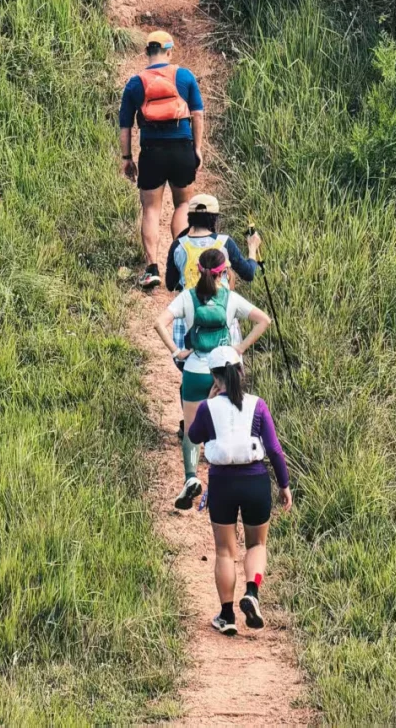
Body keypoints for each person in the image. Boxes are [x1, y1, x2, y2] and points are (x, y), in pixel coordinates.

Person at [154, 246, 270, 511]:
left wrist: (176, 351)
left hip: (195, 370)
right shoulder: (230, 299)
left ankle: (191, 477)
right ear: (224, 272)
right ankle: (224, 477)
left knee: (192, 430)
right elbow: (264, 320)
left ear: (198, 270)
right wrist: (239, 349)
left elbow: (159, 323)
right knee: (225, 424)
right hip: (225, 371)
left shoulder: (187, 297)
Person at [188, 344, 292, 636]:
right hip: (255, 481)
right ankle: (252, 592)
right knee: (257, 545)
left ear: (214, 377)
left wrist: (208, 401)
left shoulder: (208, 408)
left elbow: (194, 436)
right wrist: (284, 484)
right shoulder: (257, 404)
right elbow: (274, 449)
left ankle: (226, 615)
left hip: (222, 482)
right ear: (241, 371)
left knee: (225, 551)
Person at [120, 31, 205, 290]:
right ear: (169, 51)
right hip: (182, 150)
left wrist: (127, 158)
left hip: (152, 152)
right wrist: (197, 149)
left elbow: (125, 127)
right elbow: (198, 115)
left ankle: (152, 269)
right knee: (183, 205)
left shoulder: (135, 84)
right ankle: (183, 268)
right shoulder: (185, 76)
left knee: (151, 210)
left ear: (147, 52)